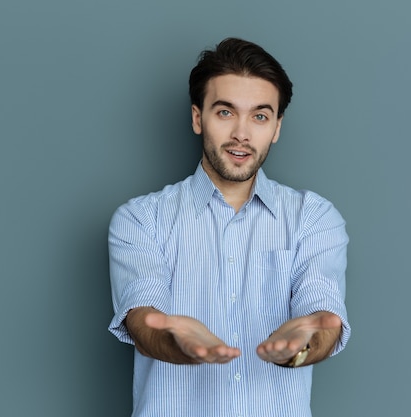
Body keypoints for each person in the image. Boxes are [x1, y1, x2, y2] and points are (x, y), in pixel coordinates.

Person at [108, 37, 350, 417]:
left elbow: (322, 318)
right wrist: (176, 343)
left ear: (276, 127)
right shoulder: (141, 219)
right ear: (197, 117)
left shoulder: (313, 218)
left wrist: (301, 346)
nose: (242, 133)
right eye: (225, 112)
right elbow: (145, 323)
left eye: (259, 115)